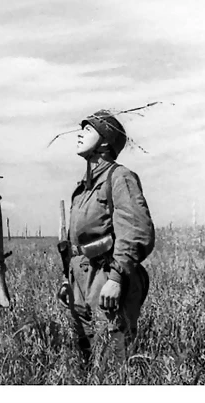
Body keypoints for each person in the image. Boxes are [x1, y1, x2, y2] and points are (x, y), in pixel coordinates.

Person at [57, 109, 155, 368]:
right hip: (81, 281)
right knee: (86, 359)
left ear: (104, 141)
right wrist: (68, 279)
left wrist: (116, 278)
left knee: (112, 361)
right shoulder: (82, 189)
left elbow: (136, 230)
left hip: (106, 276)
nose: (79, 134)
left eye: (87, 129)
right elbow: (77, 244)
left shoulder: (119, 177)